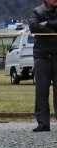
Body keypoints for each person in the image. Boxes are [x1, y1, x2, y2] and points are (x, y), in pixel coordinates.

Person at [29, 0, 57, 132]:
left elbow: (39, 27)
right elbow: (33, 27)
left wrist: (47, 23)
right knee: (41, 91)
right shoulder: (37, 11)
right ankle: (43, 123)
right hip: (42, 56)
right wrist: (53, 31)